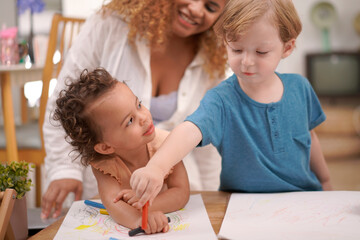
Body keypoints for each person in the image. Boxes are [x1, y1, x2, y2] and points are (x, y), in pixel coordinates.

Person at [129, 0, 333, 208]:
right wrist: (157, 167)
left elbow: (309, 137)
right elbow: (190, 130)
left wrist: (325, 180)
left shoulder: (300, 87)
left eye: (260, 52)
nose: (246, 61)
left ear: (287, 47)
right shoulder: (221, 100)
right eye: (236, 49)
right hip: (242, 207)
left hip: (305, 200)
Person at [41, 0, 227, 219]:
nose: (196, 9)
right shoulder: (111, 24)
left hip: (180, 200)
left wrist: (213, 197)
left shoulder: (212, 57)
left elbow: (207, 139)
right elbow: (65, 105)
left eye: (211, 7)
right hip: (104, 201)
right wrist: (65, 170)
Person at [52, 68, 190, 233]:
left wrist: (145, 205)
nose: (144, 117)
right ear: (106, 147)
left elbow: (181, 192)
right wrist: (138, 219)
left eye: (139, 105)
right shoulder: (104, 163)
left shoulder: (167, 144)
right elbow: (113, 203)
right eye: (130, 121)